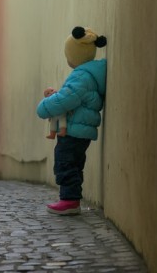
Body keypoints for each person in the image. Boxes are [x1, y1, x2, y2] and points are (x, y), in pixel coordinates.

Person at [37, 26, 108, 215]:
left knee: (65, 162)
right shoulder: (88, 75)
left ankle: (69, 200)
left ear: (75, 56)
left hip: (73, 130)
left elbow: (67, 99)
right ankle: (71, 198)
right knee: (74, 164)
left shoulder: (81, 76)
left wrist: (44, 106)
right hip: (80, 129)